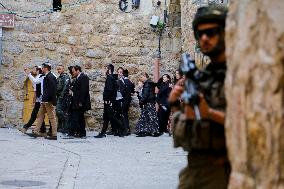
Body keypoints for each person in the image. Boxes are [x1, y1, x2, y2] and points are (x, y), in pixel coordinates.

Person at [168, 4, 230, 189]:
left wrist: (209, 113)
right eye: (199, 34)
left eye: (211, 32)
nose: (204, 38)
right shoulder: (203, 77)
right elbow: (187, 126)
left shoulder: (242, 75)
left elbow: (253, 126)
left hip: (224, 170)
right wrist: (174, 103)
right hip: (195, 167)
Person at [29, 62, 58, 140]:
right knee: (40, 115)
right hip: (44, 100)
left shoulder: (51, 77)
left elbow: (53, 90)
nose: (41, 69)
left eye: (43, 67)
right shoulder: (45, 76)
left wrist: (50, 100)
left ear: (46, 68)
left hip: (48, 101)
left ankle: (54, 134)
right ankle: (36, 131)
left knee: (51, 117)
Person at [19, 66, 47, 134]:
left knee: (35, 114)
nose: (33, 70)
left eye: (34, 69)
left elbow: (35, 84)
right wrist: (34, 100)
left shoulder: (40, 77)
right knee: (37, 114)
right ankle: (42, 129)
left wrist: (28, 73)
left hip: (40, 99)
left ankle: (26, 127)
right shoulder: (38, 77)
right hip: (38, 99)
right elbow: (35, 90)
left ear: (38, 70)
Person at [95, 64, 117, 138]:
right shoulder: (110, 78)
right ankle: (103, 132)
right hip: (108, 101)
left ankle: (123, 129)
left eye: (105, 69)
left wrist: (108, 100)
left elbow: (109, 90)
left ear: (109, 70)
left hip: (108, 101)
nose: (104, 70)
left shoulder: (110, 78)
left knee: (111, 117)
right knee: (107, 117)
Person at [69, 65, 91, 138]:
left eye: (73, 72)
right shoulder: (78, 78)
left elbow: (84, 91)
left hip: (80, 102)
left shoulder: (83, 77)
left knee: (75, 117)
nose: (73, 73)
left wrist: (81, 102)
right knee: (80, 118)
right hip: (77, 101)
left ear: (77, 70)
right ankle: (81, 133)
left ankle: (73, 132)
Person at [135, 72, 159, 137]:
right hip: (148, 102)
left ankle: (154, 131)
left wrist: (141, 102)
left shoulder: (147, 83)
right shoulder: (148, 83)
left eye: (142, 77)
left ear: (145, 76)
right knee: (145, 116)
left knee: (151, 117)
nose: (141, 78)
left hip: (149, 102)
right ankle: (145, 131)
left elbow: (145, 94)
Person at [56, 64, 70, 133]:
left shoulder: (65, 77)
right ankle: (60, 127)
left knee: (59, 110)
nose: (58, 70)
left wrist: (61, 96)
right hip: (59, 96)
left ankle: (66, 125)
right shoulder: (59, 78)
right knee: (59, 112)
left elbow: (66, 86)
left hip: (64, 97)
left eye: (60, 69)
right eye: (58, 69)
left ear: (63, 69)